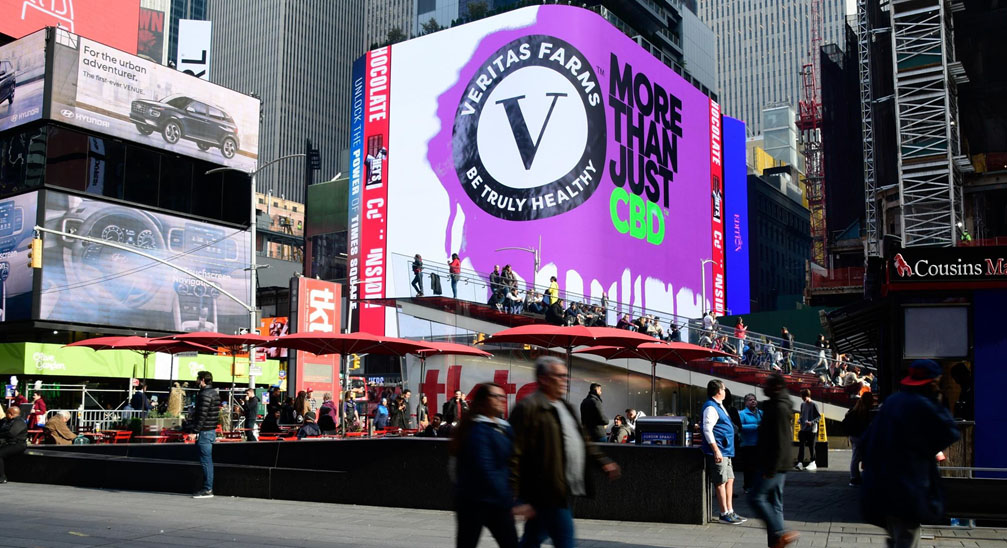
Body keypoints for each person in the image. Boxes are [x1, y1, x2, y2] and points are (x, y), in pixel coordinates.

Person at [509, 356, 620, 548]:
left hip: (561, 487)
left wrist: (603, 462)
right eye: (559, 376)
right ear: (543, 379)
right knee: (564, 538)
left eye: (565, 376)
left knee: (533, 537)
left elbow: (582, 442)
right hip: (546, 489)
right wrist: (516, 495)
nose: (564, 380)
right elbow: (513, 453)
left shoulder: (564, 406)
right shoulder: (528, 408)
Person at [861, 360, 960, 548]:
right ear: (931, 383)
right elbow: (950, 432)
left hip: (881, 485)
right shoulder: (923, 405)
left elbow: (867, 440)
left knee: (896, 536)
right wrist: (938, 401)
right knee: (906, 539)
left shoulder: (892, 401)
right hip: (908, 487)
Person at [451, 383, 519, 548]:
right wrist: (507, 499)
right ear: (482, 402)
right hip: (476, 502)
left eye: (502, 396)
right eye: (495, 396)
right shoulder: (478, 431)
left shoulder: (503, 427)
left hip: (493, 501)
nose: (501, 400)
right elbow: (485, 468)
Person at [747, 374, 799, 548]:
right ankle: (776, 542)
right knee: (775, 502)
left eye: (767, 384)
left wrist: (771, 468)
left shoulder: (778, 407)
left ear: (776, 387)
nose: (763, 387)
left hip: (772, 463)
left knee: (756, 498)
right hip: (778, 463)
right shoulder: (779, 405)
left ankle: (780, 533)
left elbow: (779, 440)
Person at [702, 379, 745, 524]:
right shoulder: (711, 407)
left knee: (730, 479)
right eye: (724, 389)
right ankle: (723, 513)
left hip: (726, 450)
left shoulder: (720, 406)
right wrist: (716, 450)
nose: (726, 391)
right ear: (719, 391)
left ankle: (730, 510)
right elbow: (707, 429)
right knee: (720, 481)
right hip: (720, 450)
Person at [188, 370, 220, 499]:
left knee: (206, 461)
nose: (196, 381)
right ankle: (207, 488)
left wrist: (194, 431)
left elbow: (202, 416)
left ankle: (207, 489)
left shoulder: (204, 394)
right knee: (207, 460)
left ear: (202, 380)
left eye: (197, 378)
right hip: (211, 430)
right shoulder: (215, 393)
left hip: (204, 431)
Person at [843, 391, 875, 486]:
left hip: (853, 436)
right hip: (861, 436)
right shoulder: (865, 411)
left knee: (856, 457)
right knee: (861, 457)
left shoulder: (854, 409)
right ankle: (855, 478)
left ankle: (855, 477)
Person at [738, 393, 763, 493]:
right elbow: (740, 427)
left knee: (758, 467)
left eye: (754, 399)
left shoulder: (761, 413)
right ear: (745, 403)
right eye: (750, 400)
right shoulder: (742, 414)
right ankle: (747, 486)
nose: (753, 401)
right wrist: (755, 426)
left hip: (759, 444)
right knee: (748, 467)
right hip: (747, 445)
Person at [0, 405, 28, 483]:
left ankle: (2, 477)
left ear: (11, 413)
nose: (5, 414)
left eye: (7, 413)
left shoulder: (19, 422)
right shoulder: (6, 421)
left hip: (17, 445)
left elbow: (11, 433)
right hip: (7, 443)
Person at [795, 389, 821, 471]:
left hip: (812, 429)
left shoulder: (814, 404)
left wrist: (812, 422)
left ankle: (813, 462)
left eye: (803, 397)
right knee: (801, 446)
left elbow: (819, 417)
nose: (803, 399)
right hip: (803, 428)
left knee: (811, 447)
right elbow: (802, 415)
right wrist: (800, 419)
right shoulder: (802, 404)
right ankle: (800, 462)